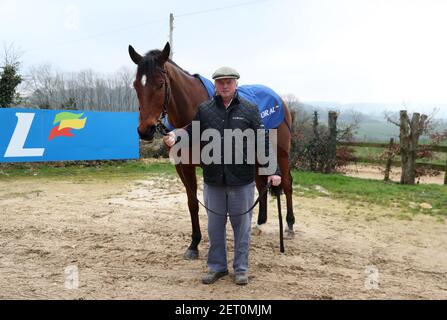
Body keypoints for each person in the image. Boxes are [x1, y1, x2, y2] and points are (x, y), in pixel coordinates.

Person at [163, 67, 281, 285]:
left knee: (242, 228)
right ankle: (217, 267)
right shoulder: (205, 109)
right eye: (220, 82)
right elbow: (192, 131)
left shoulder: (250, 109)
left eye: (229, 82)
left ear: (236, 84)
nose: (225, 85)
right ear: (215, 85)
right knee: (215, 228)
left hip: (242, 180)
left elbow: (262, 140)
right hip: (214, 180)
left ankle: (241, 269)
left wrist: (273, 170)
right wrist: (175, 135)